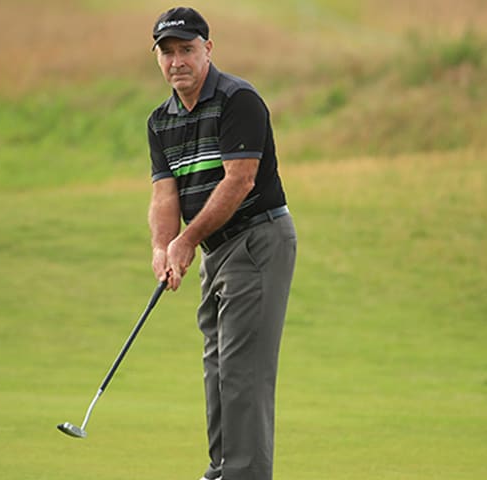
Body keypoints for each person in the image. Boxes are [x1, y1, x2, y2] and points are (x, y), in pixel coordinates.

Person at [146, 7, 297, 480]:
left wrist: (186, 241)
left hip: (257, 239)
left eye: (186, 50)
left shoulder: (238, 100)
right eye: (167, 53)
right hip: (215, 249)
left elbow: (240, 181)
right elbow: (164, 192)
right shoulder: (161, 120)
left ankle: (243, 475)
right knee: (217, 370)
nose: (177, 61)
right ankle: (223, 470)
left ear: (207, 50)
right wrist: (161, 247)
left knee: (242, 372)